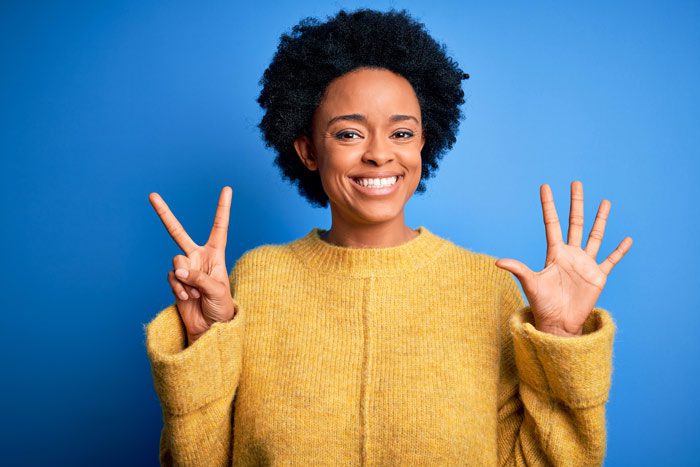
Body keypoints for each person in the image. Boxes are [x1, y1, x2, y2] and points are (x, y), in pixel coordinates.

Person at [144, 8, 632, 466]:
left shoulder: (490, 287)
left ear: (425, 141)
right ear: (308, 150)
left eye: (401, 133)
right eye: (349, 134)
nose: (379, 155)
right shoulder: (253, 282)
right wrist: (205, 340)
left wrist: (562, 340)